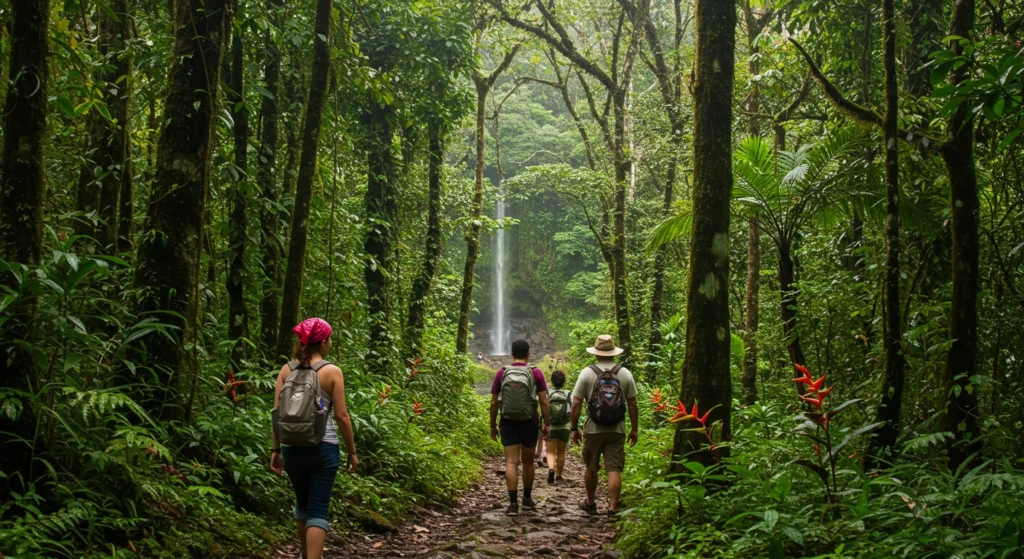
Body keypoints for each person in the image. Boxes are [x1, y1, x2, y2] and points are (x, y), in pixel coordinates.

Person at [270, 318, 358, 559]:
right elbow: (341, 416)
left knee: (303, 504)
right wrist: (352, 452)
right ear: (324, 341)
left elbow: (277, 413)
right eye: (330, 339)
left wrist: (275, 450)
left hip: (292, 447)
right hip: (324, 447)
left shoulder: (286, 370)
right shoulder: (332, 372)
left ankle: (306, 554)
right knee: (318, 508)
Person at [570, 335, 638, 516]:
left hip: (593, 429)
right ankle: (612, 508)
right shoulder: (625, 373)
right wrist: (634, 429)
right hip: (617, 429)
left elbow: (576, 403)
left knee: (591, 467)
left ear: (596, 353)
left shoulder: (587, 373)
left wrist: (574, 428)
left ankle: (591, 503)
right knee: (614, 468)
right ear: (614, 352)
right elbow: (632, 403)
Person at [489, 339, 551, 516]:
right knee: (528, 461)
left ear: (511, 353)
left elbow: (494, 403)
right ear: (529, 353)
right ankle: (527, 499)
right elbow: (543, 401)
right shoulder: (536, 373)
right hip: (529, 421)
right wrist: (547, 423)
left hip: (507, 422)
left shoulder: (501, 373)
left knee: (511, 462)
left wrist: (492, 425)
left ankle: (513, 504)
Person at [546, 370, 572, 484]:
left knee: (550, 452)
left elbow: (544, 408)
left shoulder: (548, 393)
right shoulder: (567, 393)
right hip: (564, 426)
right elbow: (572, 409)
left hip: (551, 426)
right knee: (561, 452)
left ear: (552, 381)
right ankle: (559, 475)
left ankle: (551, 469)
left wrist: (544, 422)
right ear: (563, 381)